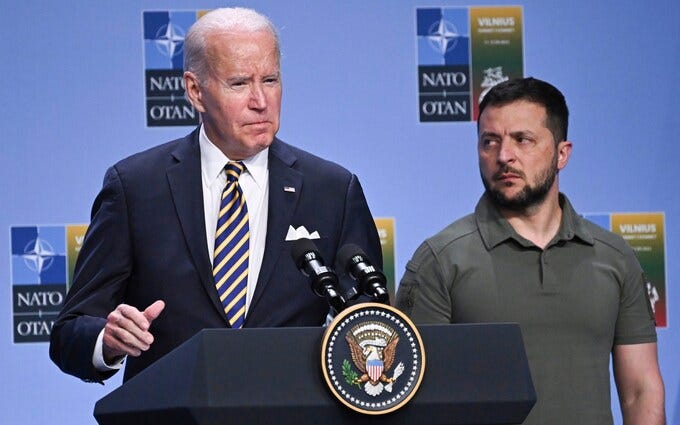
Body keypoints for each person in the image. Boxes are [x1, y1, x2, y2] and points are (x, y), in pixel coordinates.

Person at [50, 7, 382, 383]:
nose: (261, 100)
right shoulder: (136, 188)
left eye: (270, 80)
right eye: (239, 83)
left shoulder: (333, 190)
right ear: (195, 90)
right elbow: (68, 334)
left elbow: (372, 327)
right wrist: (107, 341)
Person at [395, 77, 665, 424]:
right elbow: (411, 400)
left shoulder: (615, 256)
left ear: (562, 153)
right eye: (489, 142)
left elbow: (640, 390)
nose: (504, 156)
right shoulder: (439, 260)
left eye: (522, 140)